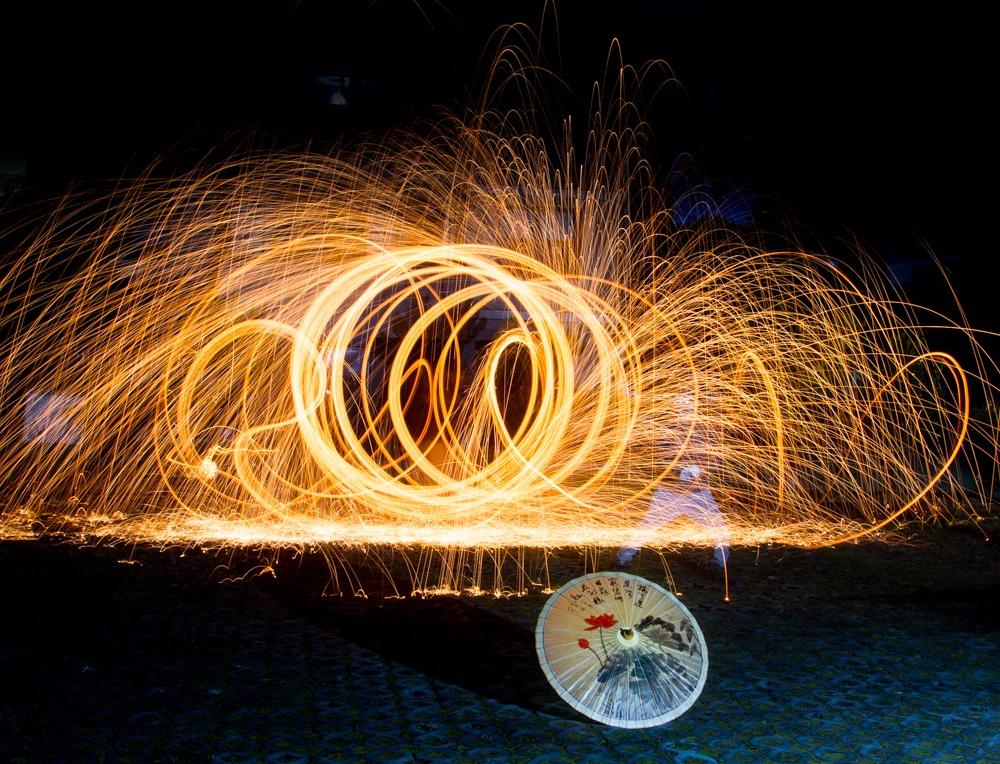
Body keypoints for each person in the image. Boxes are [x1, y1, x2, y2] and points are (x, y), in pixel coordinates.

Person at [617, 465, 730, 567]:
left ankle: (720, 562)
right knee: (648, 525)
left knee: (717, 527)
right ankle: (623, 557)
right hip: (670, 493)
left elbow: (712, 466)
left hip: (698, 494)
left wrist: (702, 477)